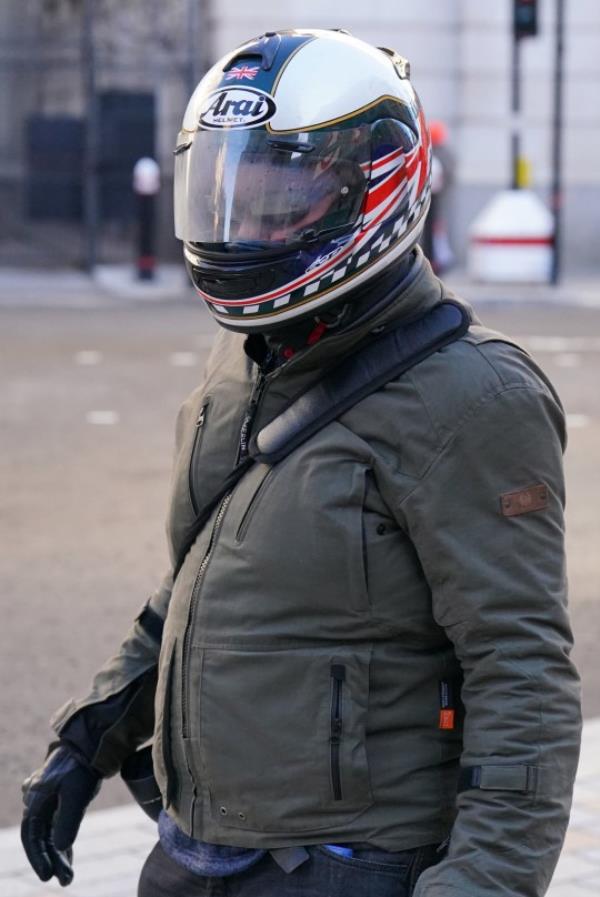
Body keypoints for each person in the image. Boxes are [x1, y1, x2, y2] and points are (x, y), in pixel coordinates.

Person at [21, 29, 581, 897]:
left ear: (375, 187)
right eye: (227, 196)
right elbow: (206, 573)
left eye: (278, 198)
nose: (245, 226)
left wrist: (482, 884)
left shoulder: (472, 396)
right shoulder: (250, 354)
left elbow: (522, 672)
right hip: (195, 847)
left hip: (344, 864)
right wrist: (89, 734)